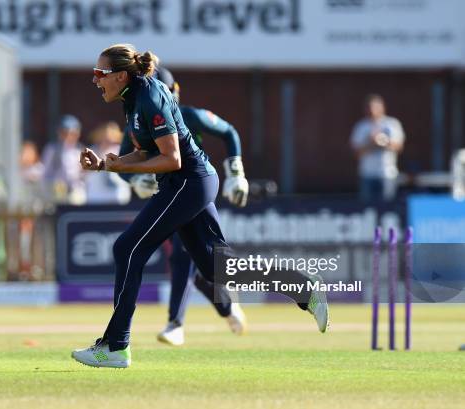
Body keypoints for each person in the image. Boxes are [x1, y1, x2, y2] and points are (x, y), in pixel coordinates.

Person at [72, 44, 328, 368]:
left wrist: (120, 168)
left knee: (127, 248)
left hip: (187, 182)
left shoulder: (148, 96)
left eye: (100, 74)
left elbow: (172, 158)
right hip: (189, 182)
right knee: (217, 269)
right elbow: (143, 152)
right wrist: (107, 165)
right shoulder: (131, 97)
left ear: (121, 75)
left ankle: (115, 345)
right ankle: (304, 287)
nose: (95, 81)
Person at [120, 66, 249, 346]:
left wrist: (236, 172)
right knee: (206, 264)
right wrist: (135, 179)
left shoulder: (188, 115)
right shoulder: (137, 118)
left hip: (190, 188)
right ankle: (228, 305)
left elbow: (229, 132)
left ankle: (174, 324)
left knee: (184, 256)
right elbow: (124, 161)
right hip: (169, 192)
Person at [351, 94, 405, 201]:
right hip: (367, 174)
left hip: (387, 174)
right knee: (367, 208)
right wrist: (372, 143)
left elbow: (399, 147)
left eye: (375, 107)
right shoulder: (361, 126)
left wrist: (382, 141)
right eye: (370, 108)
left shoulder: (391, 124)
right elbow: (356, 152)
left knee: (387, 206)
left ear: (382, 107)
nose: (372, 111)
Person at [41, 114, 86, 204]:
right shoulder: (52, 149)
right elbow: (45, 173)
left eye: (72, 134)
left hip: (76, 191)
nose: (68, 137)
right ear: (59, 133)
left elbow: (85, 174)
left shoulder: (82, 151)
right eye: (65, 133)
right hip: (56, 192)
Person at [85, 121, 131, 204]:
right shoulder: (91, 151)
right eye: (104, 138)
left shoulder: (122, 151)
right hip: (95, 198)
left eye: (110, 138)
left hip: (117, 198)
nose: (107, 140)